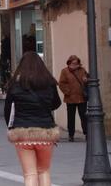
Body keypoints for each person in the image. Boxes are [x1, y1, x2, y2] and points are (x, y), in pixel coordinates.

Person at [5, 51, 62, 186]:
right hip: (45, 132)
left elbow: (7, 110)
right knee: (44, 171)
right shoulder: (49, 82)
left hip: (22, 132)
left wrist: (12, 127)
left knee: (29, 174)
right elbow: (56, 103)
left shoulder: (15, 84)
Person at [57, 55, 88, 142]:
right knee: (71, 117)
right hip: (70, 98)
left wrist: (86, 80)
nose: (75, 65)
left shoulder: (82, 70)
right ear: (69, 63)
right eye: (73, 63)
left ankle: (87, 133)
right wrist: (68, 92)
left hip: (81, 97)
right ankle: (71, 135)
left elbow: (88, 79)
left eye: (77, 63)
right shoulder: (65, 71)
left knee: (84, 116)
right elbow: (61, 83)